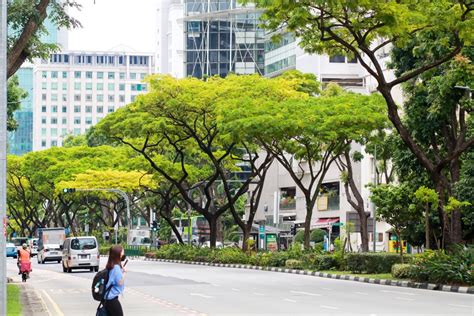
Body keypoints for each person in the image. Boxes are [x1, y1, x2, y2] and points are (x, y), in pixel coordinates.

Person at [104, 245, 126, 316]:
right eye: (122, 252)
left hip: (108, 299)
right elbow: (120, 282)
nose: (123, 254)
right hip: (112, 300)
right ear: (118, 254)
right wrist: (125, 273)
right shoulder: (116, 268)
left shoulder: (111, 266)